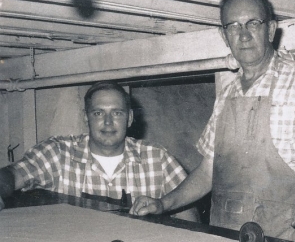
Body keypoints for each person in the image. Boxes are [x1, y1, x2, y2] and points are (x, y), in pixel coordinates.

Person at [131, 0, 295, 241]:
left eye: (252, 23)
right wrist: (163, 204)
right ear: (224, 36)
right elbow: (207, 172)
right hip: (223, 236)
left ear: (270, 29)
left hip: (279, 240)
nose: (243, 35)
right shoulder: (226, 94)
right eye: (233, 26)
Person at [0, 81, 197, 221]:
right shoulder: (57, 152)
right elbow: (12, 174)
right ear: (86, 118)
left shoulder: (157, 158)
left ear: (129, 118)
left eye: (117, 113)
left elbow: (188, 214)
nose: (108, 122)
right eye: (98, 113)